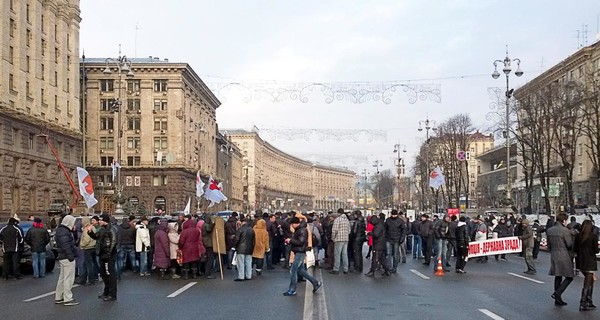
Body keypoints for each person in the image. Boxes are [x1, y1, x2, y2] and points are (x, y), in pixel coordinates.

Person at [283, 216, 322, 296]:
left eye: (292, 224)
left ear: (294, 224)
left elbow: (300, 242)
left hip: (300, 252)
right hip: (299, 251)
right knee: (301, 271)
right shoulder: (301, 229)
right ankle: (316, 283)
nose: (291, 226)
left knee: (293, 270)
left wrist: (290, 240)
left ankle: (292, 289)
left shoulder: (302, 230)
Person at [547, 213, 575, 306]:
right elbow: (569, 244)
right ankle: (557, 293)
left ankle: (557, 299)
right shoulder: (565, 231)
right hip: (564, 254)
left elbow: (549, 245)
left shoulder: (550, 230)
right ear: (563, 220)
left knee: (558, 275)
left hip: (554, 254)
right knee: (569, 276)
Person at [88, 214, 118, 302]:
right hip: (102, 253)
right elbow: (95, 237)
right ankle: (106, 292)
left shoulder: (111, 229)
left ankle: (112, 294)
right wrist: (90, 232)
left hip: (109, 254)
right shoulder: (102, 229)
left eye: (100, 220)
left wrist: (109, 253)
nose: (99, 221)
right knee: (103, 274)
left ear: (105, 220)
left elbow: (113, 241)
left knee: (111, 274)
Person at [54, 215, 79, 306]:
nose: (74, 224)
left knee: (62, 278)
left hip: (63, 257)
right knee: (68, 278)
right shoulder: (64, 232)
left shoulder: (61, 230)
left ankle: (59, 296)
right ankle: (68, 298)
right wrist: (71, 256)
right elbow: (66, 246)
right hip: (67, 257)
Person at [575, 220, 599, 311]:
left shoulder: (578, 236)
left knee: (590, 281)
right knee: (587, 283)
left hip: (581, 262)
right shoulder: (593, 236)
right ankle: (584, 302)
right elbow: (596, 250)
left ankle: (589, 300)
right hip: (590, 262)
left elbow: (575, 249)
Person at [234, 215, 255, 281]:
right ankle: (249, 275)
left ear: (243, 222)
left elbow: (237, 239)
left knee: (241, 263)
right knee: (248, 262)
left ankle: (241, 276)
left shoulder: (240, 229)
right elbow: (254, 240)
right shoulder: (252, 230)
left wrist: (235, 246)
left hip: (241, 248)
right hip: (249, 248)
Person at [79, 216, 99, 285]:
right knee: (88, 264)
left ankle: (91, 279)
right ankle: (83, 279)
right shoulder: (93, 227)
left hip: (88, 248)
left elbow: (87, 239)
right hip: (93, 247)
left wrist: (82, 245)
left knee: (89, 265)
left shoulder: (86, 228)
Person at [330, 209, 350, 274]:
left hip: (338, 239)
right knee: (344, 254)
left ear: (338, 213)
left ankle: (336, 269)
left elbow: (334, 230)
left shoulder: (337, 220)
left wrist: (333, 238)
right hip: (346, 239)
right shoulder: (347, 220)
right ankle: (346, 269)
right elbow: (349, 230)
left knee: (337, 254)